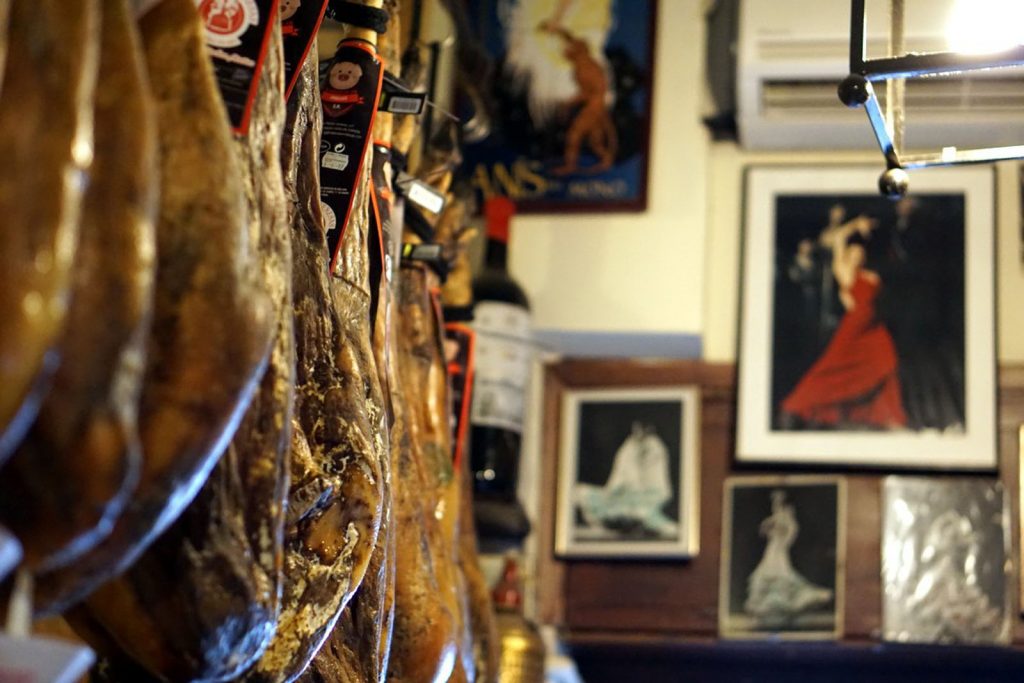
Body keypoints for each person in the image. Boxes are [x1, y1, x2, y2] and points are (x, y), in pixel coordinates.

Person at [780, 214, 908, 429]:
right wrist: (855, 224)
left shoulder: (872, 275)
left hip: (874, 327)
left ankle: (889, 416)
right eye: (854, 251)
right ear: (848, 254)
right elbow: (839, 239)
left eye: (861, 251)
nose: (858, 254)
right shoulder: (845, 271)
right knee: (832, 368)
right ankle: (795, 405)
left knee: (887, 362)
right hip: (854, 327)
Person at [574, 422, 677, 538]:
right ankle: (619, 524)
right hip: (623, 494)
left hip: (645, 497)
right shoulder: (629, 446)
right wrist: (616, 490)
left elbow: (657, 482)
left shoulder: (656, 448)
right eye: (636, 429)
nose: (639, 432)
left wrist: (637, 490)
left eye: (642, 429)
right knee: (581, 492)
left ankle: (637, 524)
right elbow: (621, 471)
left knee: (642, 513)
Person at [745, 491, 832, 620]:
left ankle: (785, 605)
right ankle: (770, 608)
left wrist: (777, 530)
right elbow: (766, 526)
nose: (777, 503)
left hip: (779, 548)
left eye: (779, 500)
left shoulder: (786, 517)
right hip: (774, 548)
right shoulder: (777, 520)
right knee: (768, 572)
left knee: (779, 573)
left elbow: (791, 528)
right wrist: (768, 528)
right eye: (776, 501)